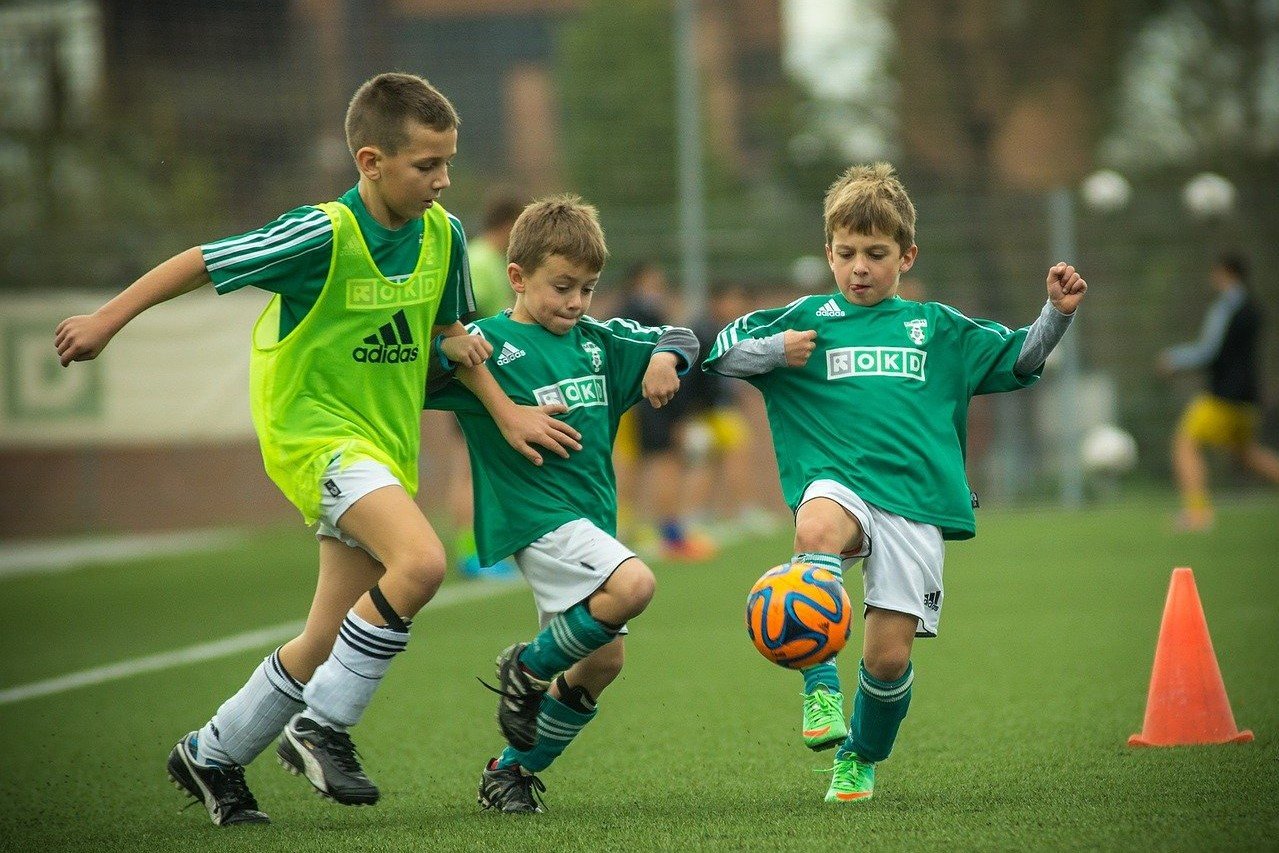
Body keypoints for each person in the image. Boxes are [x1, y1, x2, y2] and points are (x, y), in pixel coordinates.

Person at [54, 72, 579, 827]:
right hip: (316, 439)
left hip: (385, 447)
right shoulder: (321, 233)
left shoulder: (444, 236)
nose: (443, 179)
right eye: (426, 164)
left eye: (448, 162)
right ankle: (321, 726)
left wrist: (502, 409)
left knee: (328, 635)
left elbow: (450, 337)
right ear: (371, 162)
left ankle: (210, 753)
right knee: (422, 563)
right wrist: (107, 319)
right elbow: (203, 259)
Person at [703, 162, 1087, 803]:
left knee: (887, 659)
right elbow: (721, 354)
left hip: (915, 503)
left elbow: (1019, 356)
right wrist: (776, 352)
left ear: (906, 256)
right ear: (829, 253)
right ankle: (820, 688)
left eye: (876, 254)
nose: (859, 267)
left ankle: (860, 755)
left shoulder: (936, 328)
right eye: (846, 253)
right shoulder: (806, 319)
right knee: (815, 526)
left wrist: (1056, 314)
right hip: (838, 484)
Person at [426, 196, 699, 813]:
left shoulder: (598, 342)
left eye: (588, 289)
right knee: (635, 584)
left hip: (590, 522)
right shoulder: (487, 346)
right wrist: (445, 352)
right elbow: (415, 373)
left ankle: (510, 773)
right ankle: (524, 668)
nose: (576, 302)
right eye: (562, 286)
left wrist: (664, 357)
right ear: (517, 278)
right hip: (539, 518)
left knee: (602, 663)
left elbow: (681, 333)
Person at [1158, 253, 1279, 531]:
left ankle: (1197, 514)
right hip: (1248, 398)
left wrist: (1174, 359)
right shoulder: (1254, 309)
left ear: (1225, 273)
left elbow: (1209, 351)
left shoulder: (1225, 307)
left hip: (1223, 396)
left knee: (1185, 443)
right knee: (1248, 454)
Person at [612, 261, 715, 560]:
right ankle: (667, 534)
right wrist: (678, 413)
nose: (659, 290)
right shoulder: (641, 315)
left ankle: (630, 527)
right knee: (661, 460)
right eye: (653, 284)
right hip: (646, 401)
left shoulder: (625, 315)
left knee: (634, 463)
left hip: (629, 400)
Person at [449, 187, 527, 578]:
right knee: (469, 464)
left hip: (489, 378)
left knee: (484, 464)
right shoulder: (479, 259)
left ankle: (489, 548)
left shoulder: (493, 260)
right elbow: (461, 317)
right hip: (471, 377)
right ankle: (472, 553)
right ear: (509, 224)